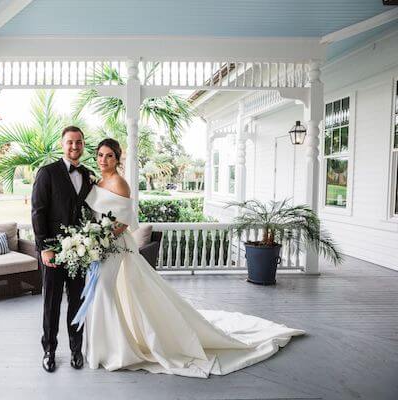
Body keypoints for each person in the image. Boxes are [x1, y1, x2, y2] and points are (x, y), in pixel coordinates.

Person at [81, 138, 305, 378]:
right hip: (97, 245)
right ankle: (100, 347)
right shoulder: (98, 181)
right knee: (100, 291)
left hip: (113, 245)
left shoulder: (120, 184)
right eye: (100, 155)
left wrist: (102, 238)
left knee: (103, 289)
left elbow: (124, 223)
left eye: (109, 156)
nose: (103, 160)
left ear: (117, 159)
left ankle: (118, 350)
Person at [31, 126, 93, 373]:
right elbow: (38, 212)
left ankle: (76, 350)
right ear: (62, 143)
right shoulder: (47, 173)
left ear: (83, 144)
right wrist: (44, 248)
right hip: (54, 252)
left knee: (77, 302)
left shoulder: (88, 175)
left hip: (81, 253)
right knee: (52, 304)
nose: (74, 147)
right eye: (70, 142)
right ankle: (49, 350)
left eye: (78, 142)